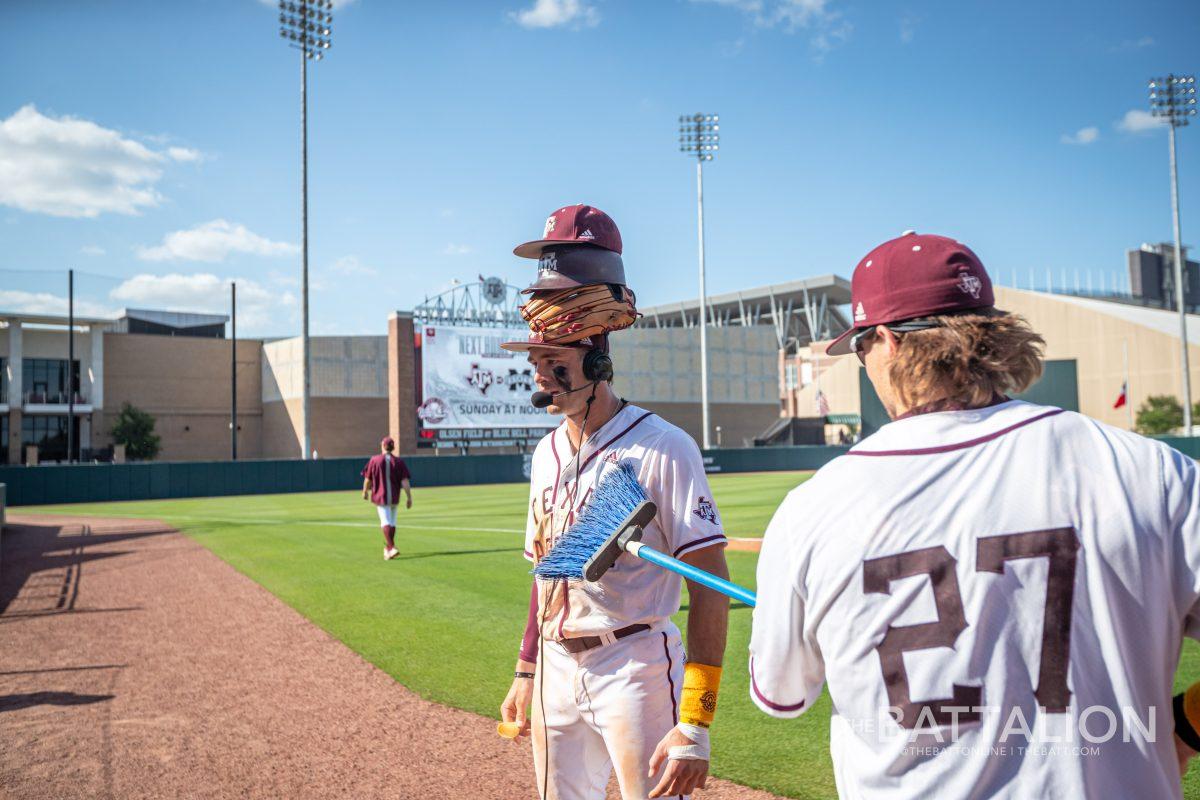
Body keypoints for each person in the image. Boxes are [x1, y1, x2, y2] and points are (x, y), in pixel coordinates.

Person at [749, 230, 1200, 798]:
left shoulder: (814, 508)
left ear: (885, 341)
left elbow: (781, 693)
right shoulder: (1151, 470)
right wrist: (1184, 729)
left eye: (860, 347)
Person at [497, 204, 731, 799]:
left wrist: (696, 721)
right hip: (555, 665)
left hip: (634, 666)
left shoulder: (664, 447)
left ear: (598, 361)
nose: (541, 377)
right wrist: (526, 669)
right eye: (536, 363)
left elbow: (711, 587)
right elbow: (545, 569)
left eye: (556, 363)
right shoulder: (547, 452)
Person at [361, 436, 412, 560]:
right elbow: (405, 481)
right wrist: (409, 497)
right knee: (392, 523)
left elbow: (367, 479)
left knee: (385, 522)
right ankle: (389, 549)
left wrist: (364, 492)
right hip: (394, 497)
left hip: (381, 496)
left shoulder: (375, 460)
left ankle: (391, 547)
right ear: (393, 447)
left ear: (383, 446)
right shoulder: (399, 462)